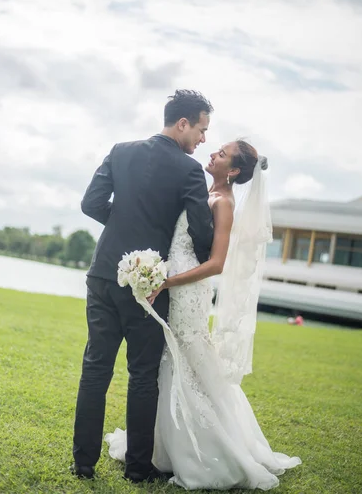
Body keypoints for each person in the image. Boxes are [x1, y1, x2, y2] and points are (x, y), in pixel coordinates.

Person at [106, 140, 302, 490]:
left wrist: (167, 281)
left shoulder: (223, 203)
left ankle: (209, 448)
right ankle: (158, 447)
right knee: (169, 360)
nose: (212, 153)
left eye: (221, 154)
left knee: (190, 359)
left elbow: (216, 263)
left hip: (188, 290)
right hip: (170, 281)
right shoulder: (200, 192)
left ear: (234, 171)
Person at [71, 90, 214, 482]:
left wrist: (122, 226)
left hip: (103, 273)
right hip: (149, 287)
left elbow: (91, 203)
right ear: (182, 123)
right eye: (201, 129)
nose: (203, 139)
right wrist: (202, 258)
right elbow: (201, 229)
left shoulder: (121, 150)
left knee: (95, 370)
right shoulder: (189, 171)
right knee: (143, 375)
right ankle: (137, 469)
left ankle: (83, 464)